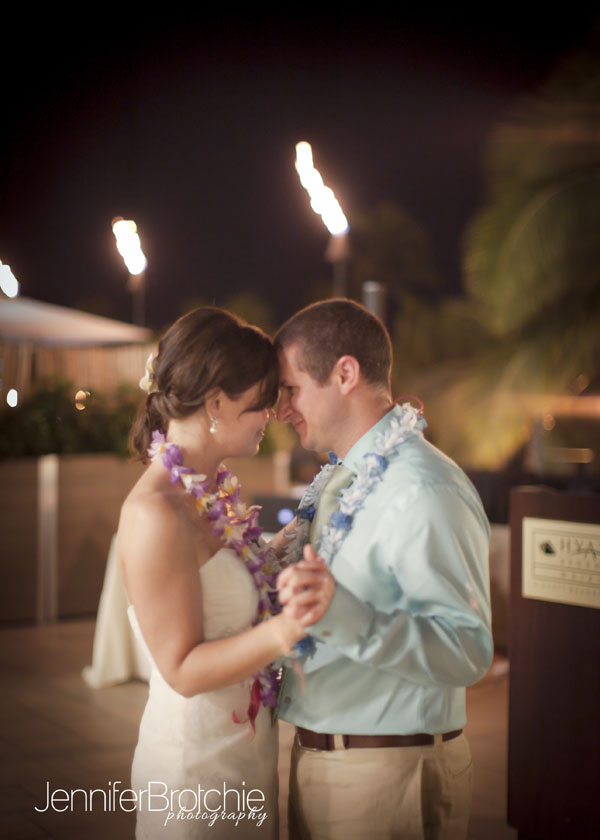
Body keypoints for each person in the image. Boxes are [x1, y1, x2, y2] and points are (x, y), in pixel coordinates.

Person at [274, 299, 493, 840]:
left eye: (291, 389)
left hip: (388, 777)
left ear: (344, 374)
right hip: (322, 762)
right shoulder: (337, 480)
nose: (283, 409)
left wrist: (344, 615)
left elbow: (468, 649)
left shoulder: (421, 487)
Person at [117, 307, 322, 839]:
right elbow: (181, 670)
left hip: (245, 756)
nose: (274, 414)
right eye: (262, 399)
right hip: (195, 772)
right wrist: (284, 631)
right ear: (214, 402)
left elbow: (232, 587)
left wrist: (288, 545)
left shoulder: (208, 495)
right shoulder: (155, 512)